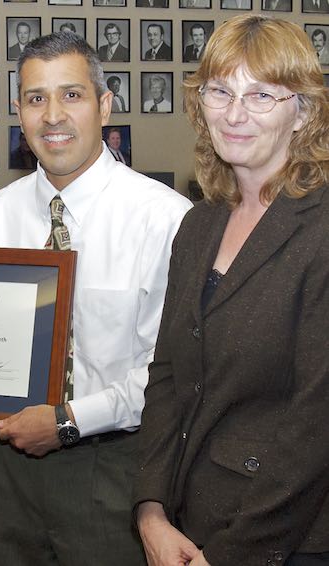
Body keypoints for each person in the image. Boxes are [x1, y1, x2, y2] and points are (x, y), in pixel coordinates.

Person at [0, 30, 191, 566]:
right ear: (18, 113)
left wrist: (68, 420)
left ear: (104, 105)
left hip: (115, 465)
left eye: (72, 95)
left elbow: (170, 374)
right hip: (8, 466)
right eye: (36, 98)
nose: (53, 115)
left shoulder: (165, 219)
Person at [134, 14, 329, 566]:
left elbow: (316, 422)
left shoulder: (321, 228)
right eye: (221, 91)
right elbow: (169, 377)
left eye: (262, 95)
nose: (236, 113)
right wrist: (150, 510)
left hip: (284, 538)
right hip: (185, 520)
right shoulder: (199, 224)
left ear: (304, 112)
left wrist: (231, 554)